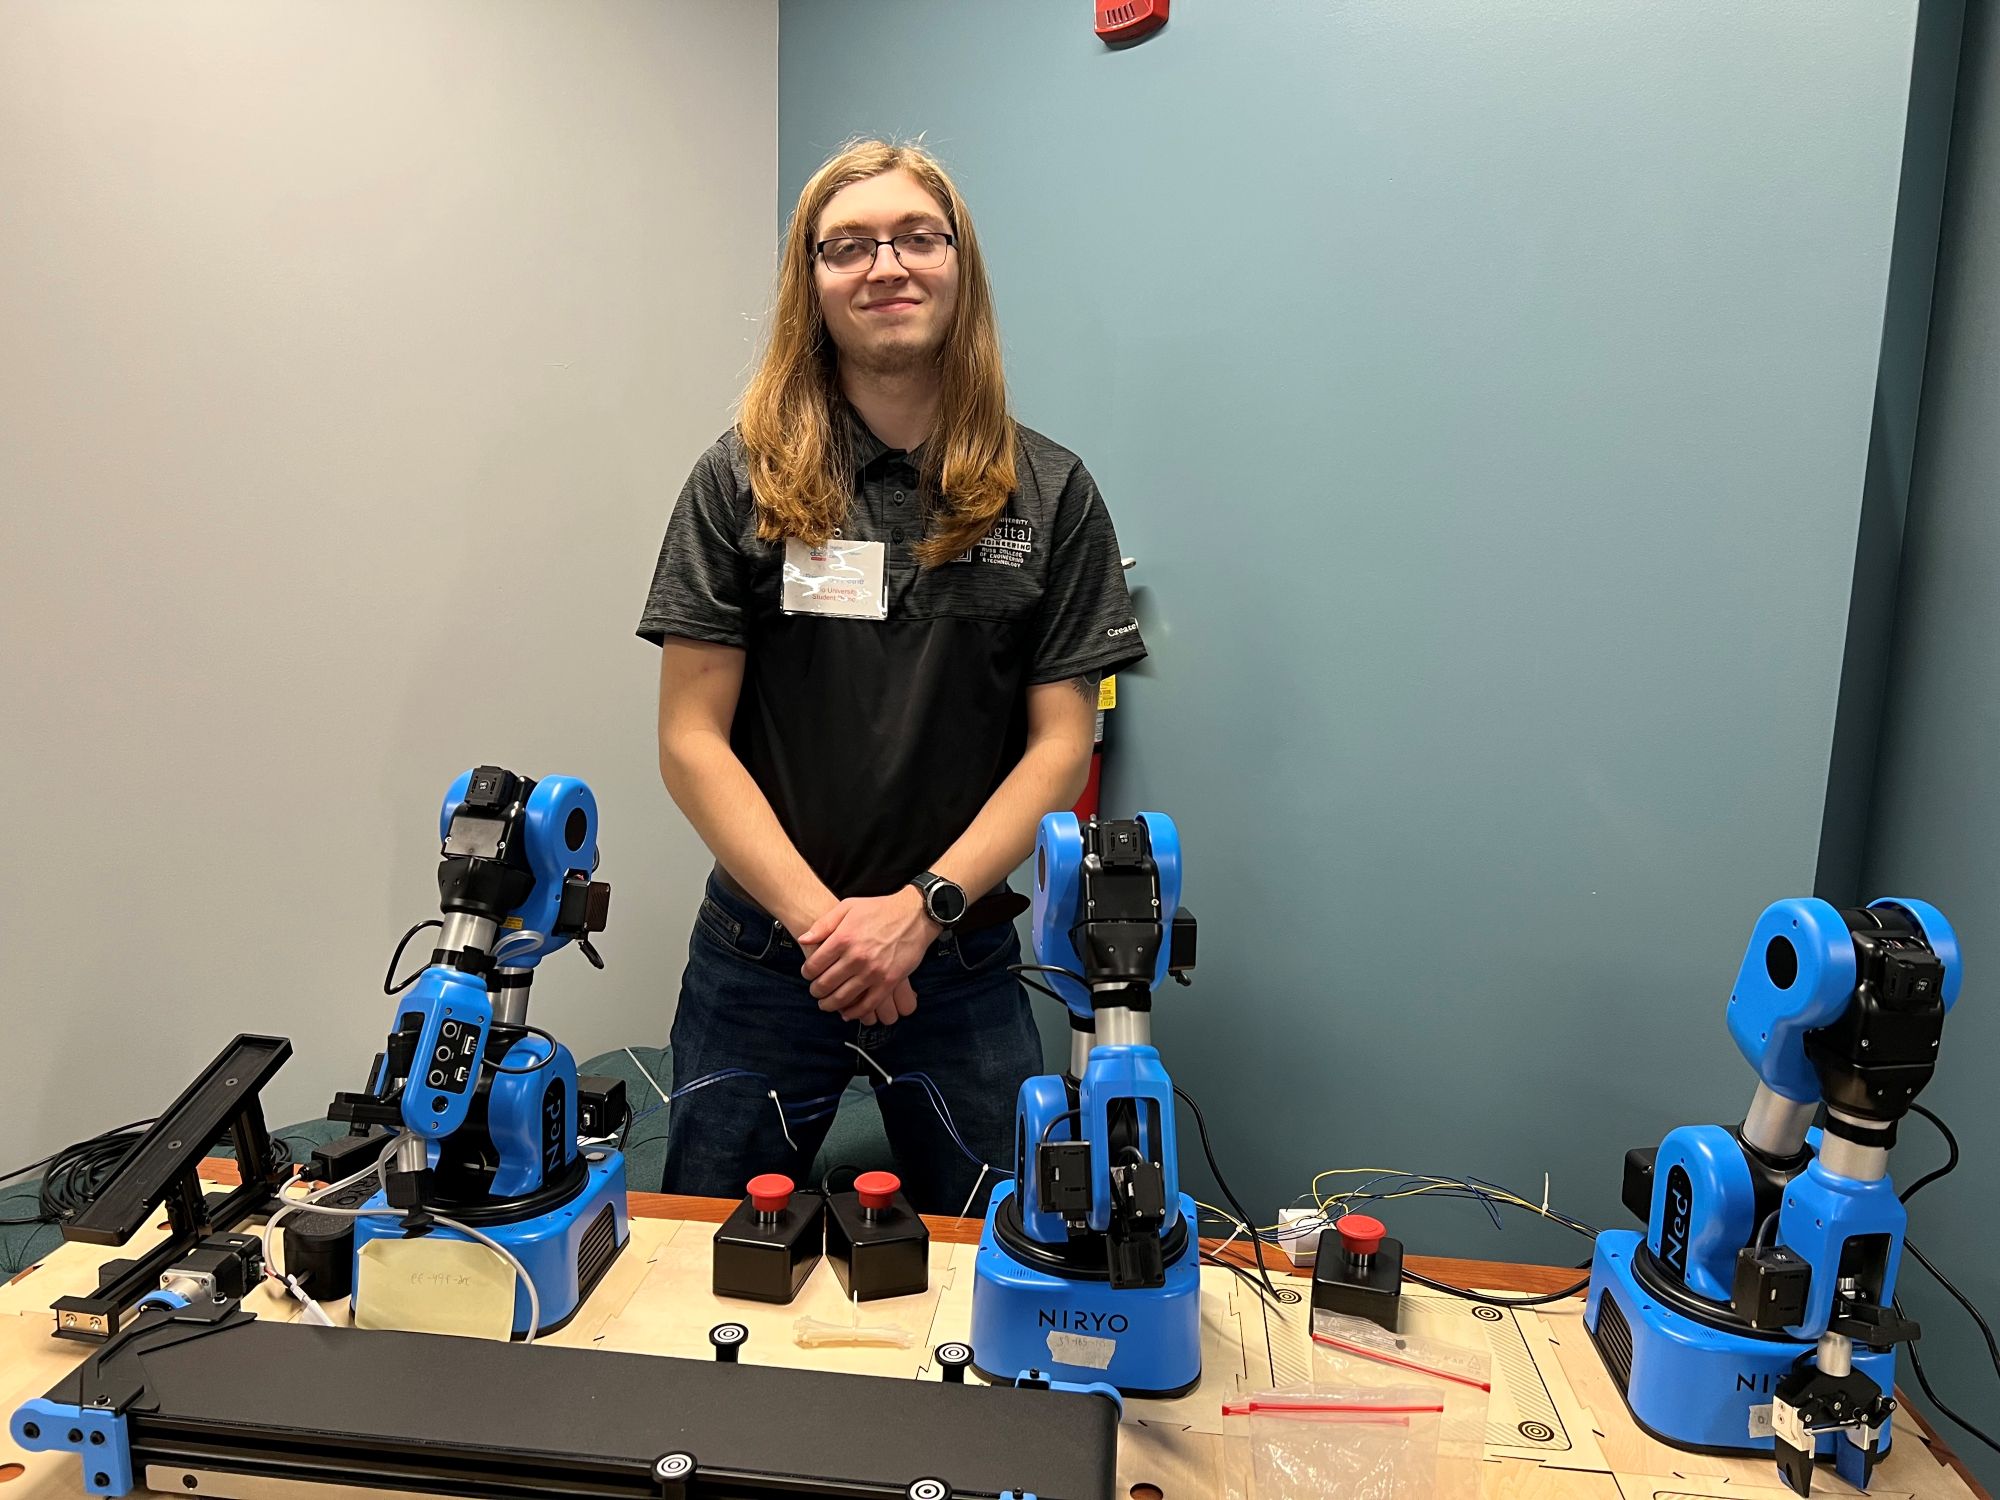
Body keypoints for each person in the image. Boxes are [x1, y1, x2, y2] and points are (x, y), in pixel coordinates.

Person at [637, 139, 1146, 1215]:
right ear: (809, 283)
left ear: (959, 266)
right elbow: (690, 740)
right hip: (765, 958)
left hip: (958, 962)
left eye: (917, 237)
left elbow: (1063, 747)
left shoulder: (1048, 493)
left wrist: (916, 914)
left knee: (1010, 1249)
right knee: (708, 1256)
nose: (886, 266)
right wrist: (836, 929)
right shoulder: (737, 481)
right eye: (848, 246)